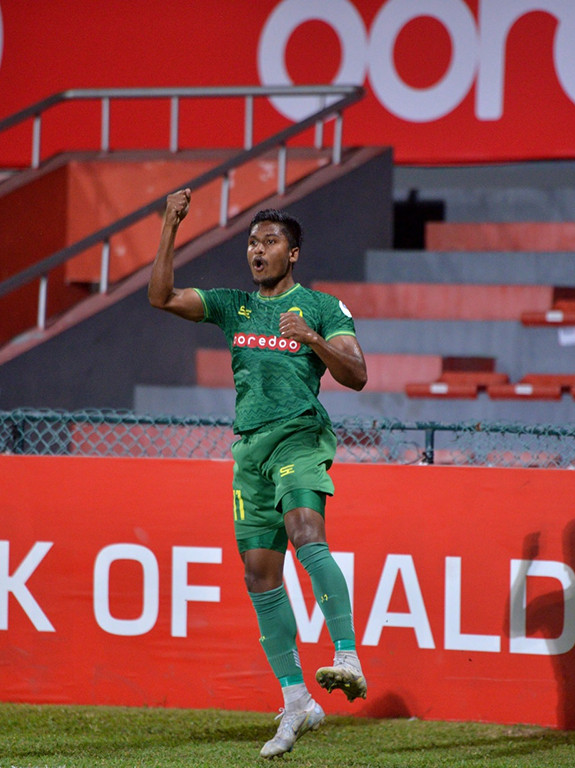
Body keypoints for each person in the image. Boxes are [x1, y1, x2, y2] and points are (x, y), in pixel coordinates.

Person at [148, 188, 368, 758]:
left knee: (305, 532)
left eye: (269, 242)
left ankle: (345, 652)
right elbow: (161, 296)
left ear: (293, 254)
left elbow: (359, 374)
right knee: (259, 573)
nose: (257, 250)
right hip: (251, 452)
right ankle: (296, 700)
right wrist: (170, 225)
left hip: (299, 433)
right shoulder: (232, 306)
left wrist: (314, 339)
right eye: (252, 242)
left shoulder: (321, 306)